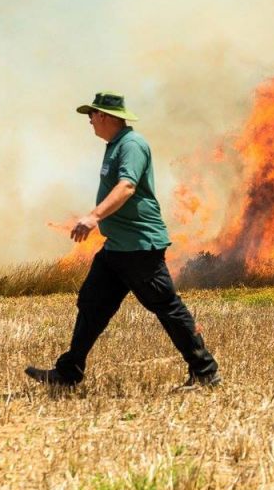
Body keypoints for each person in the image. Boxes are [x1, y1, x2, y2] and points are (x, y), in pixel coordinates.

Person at [25, 91, 220, 389]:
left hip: (140, 247)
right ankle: (68, 372)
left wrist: (94, 217)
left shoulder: (132, 145)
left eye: (91, 115)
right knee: (91, 303)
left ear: (105, 115)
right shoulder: (114, 146)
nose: (89, 121)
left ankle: (205, 371)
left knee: (167, 307)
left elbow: (127, 187)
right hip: (117, 247)